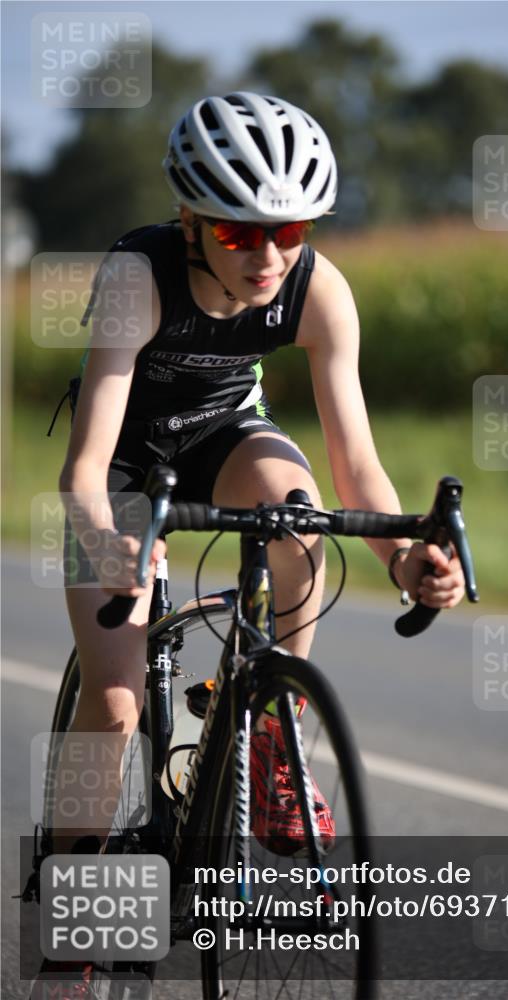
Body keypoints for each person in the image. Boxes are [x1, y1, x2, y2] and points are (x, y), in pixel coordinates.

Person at [32, 91, 465, 993]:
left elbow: (360, 471)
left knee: (299, 507)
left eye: (290, 230)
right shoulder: (136, 277)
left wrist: (403, 558)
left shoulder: (320, 290)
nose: (268, 256)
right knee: (113, 703)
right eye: (239, 235)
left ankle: (271, 730)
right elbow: (84, 466)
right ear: (191, 222)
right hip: (123, 468)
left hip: (226, 441)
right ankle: (73, 921)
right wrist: (109, 542)